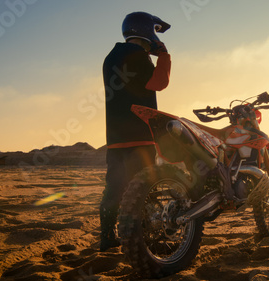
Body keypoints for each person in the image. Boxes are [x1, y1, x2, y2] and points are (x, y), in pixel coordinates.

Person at [100, 11, 171, 252]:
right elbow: (159, 83)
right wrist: (163, 55)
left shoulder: (111, 56)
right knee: (144, 189)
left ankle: (107, 237)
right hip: (140, 135)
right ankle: (145, 237)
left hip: (116, 136)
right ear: (147, 30)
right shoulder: (138, 56)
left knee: (115, 188)